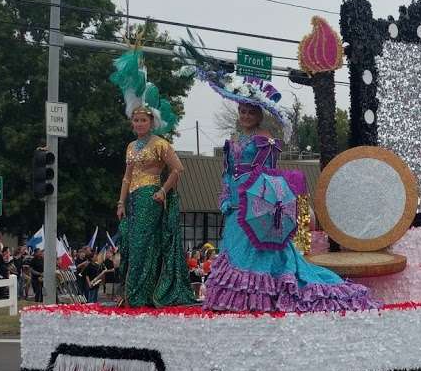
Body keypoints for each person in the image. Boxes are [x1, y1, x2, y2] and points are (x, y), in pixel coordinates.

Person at [203, 98, 379, 312]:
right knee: (234, 249)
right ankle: (235, 299)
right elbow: (229, 171)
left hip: (254, 198)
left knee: (258, 251)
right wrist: (225, 195)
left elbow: (268, 171)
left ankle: (260, 297)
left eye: (250, 112)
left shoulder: (264, 138)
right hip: (234, 203)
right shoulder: (234, 138)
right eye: (242, 111)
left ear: (259, 115)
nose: (245, 116)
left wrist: (260, 198)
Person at [110, 49, 196, 307]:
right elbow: (126, 177)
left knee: (143, 244)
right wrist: (121, 203)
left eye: (143, 120)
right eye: (135, 120)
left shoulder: (160, 144)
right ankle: (134, 292)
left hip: (151, 196)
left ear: (152, 121)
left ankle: (140, 293)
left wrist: (163, 191)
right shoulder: (130, 147)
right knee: (131, 243)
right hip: (134, 200)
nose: (138, 124)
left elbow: (178, 168)